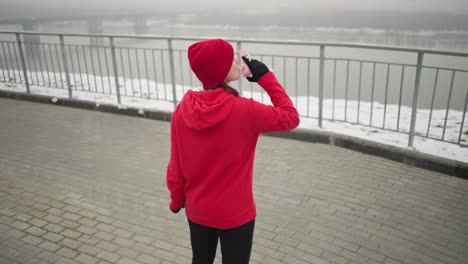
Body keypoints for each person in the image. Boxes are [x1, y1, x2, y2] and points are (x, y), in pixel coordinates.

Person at [166, 38, 299, 264]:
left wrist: (177, 200)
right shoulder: (244, 110)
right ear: (221, 69)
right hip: (236, 214)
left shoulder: (184, 108)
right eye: (231, 59)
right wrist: (266, 77)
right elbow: (290, 117)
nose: (237, 61)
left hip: (198, 210)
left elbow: (176, 163)